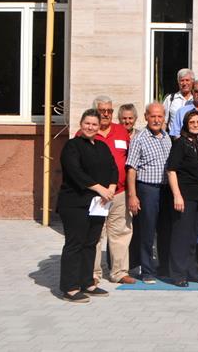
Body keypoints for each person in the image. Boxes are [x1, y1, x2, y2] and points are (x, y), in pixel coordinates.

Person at [57, 109, 117, 303]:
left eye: (94, 124)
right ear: (81, 124)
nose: (90, 127)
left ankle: (87, 282)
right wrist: (100, 188)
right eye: (87, 123)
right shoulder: (72, 146)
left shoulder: (102, 146)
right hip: (75, 203)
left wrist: (111, 188)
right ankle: (70, 287)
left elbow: (113, 168)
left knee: (91, 243)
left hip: (98, 203)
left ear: (99, 127)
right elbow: (75, 172)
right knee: (75, 243)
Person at [89, 96, 134, 286]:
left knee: (121, 233)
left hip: (120, 192)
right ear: (95, 111)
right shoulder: (86, 132)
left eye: (109, 111)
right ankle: (93, 273)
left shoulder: (121, 131)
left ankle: (119, 272)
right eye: (102, 111)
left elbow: (130, 160)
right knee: (95, 234)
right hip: (96, 194)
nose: (106, 114)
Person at [126, 102, 173, 284]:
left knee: (164, 230)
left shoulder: (166, 137)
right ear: (146, 117)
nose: (156, 120)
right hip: (147, 189)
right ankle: (147, 270)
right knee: (147, 231)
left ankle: (163, 267)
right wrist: (133, 195)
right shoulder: (139, 138)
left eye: (160, 116)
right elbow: (131, 169)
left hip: (165, 189)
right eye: (153, 116)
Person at [166, 110, 198, 287]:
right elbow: (171, 170)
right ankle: (178, 274)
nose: (195, 125)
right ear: (185, 124)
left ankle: (191, 271)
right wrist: (177, 195)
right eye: (192, 122)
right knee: (181, 236)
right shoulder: (180, 144)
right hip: (185, 196)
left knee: (193, 236)